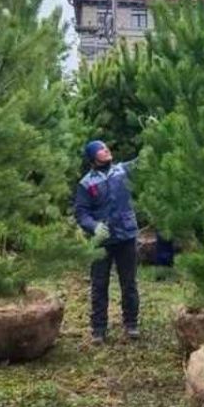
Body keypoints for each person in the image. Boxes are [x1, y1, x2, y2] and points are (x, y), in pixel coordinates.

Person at [73, 140, 139, 344]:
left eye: (106, 147)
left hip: (126, 235)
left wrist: (153, 133)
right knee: (99, 284)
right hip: (102, 240)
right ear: (93, 157)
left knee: (128, 283)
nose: (106, 149)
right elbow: (81, 213)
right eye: (101, 149)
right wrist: (93, 227)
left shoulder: (122, 171)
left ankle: (131, 324)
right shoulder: (87, 183)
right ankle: (99, 329)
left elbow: (143, 162)